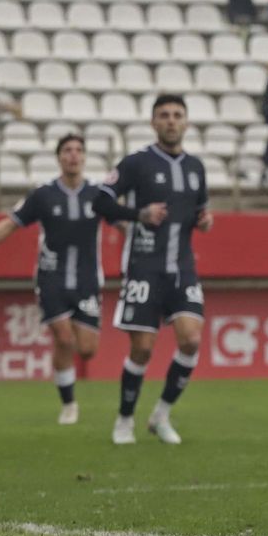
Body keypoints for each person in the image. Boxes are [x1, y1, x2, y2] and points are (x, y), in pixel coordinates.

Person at [0, 134, 162, 424]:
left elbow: (123, 224)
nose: (73, 155)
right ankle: (69, 404)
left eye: (78, 151)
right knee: (63, 338)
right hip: (52, 278)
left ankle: (68, 382)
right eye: (68, 150)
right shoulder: (43, 195)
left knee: (86, 349)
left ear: (84, 158)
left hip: (87, 281)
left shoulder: (98, 196)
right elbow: (10, 224)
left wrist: (149, 245)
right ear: (59, 157)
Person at [101, 94, 214, 446]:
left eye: (177, 115)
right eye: (164, 115)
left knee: (192, 340)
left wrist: (205, 220)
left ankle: (161, 414)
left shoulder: (196, 167)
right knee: (143, 350)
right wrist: (139, 215)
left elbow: (199, 211)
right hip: (143, 267)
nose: (171, 120)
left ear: (186, 123)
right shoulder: (137, 163)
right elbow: (101, 200)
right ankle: (123, 420)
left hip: (182, 268)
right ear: (153, 122)